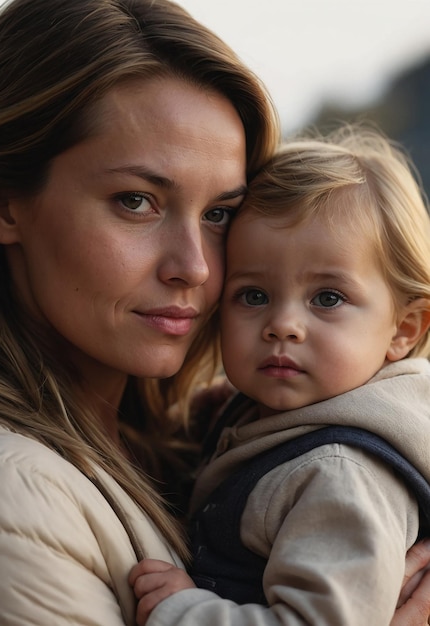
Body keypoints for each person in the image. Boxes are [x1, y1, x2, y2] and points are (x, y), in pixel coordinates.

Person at [0, 0, 428, 623]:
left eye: (218, 215)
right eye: (136, 201)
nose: (197, 266)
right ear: (1, 206)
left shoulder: (203, 442)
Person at [129, 126, 430, 625]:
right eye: (253, 295)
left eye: (328, 298)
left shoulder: (340, 472)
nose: (283, 325)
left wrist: (183, 611)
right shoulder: (262, 417)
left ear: (402, 329)